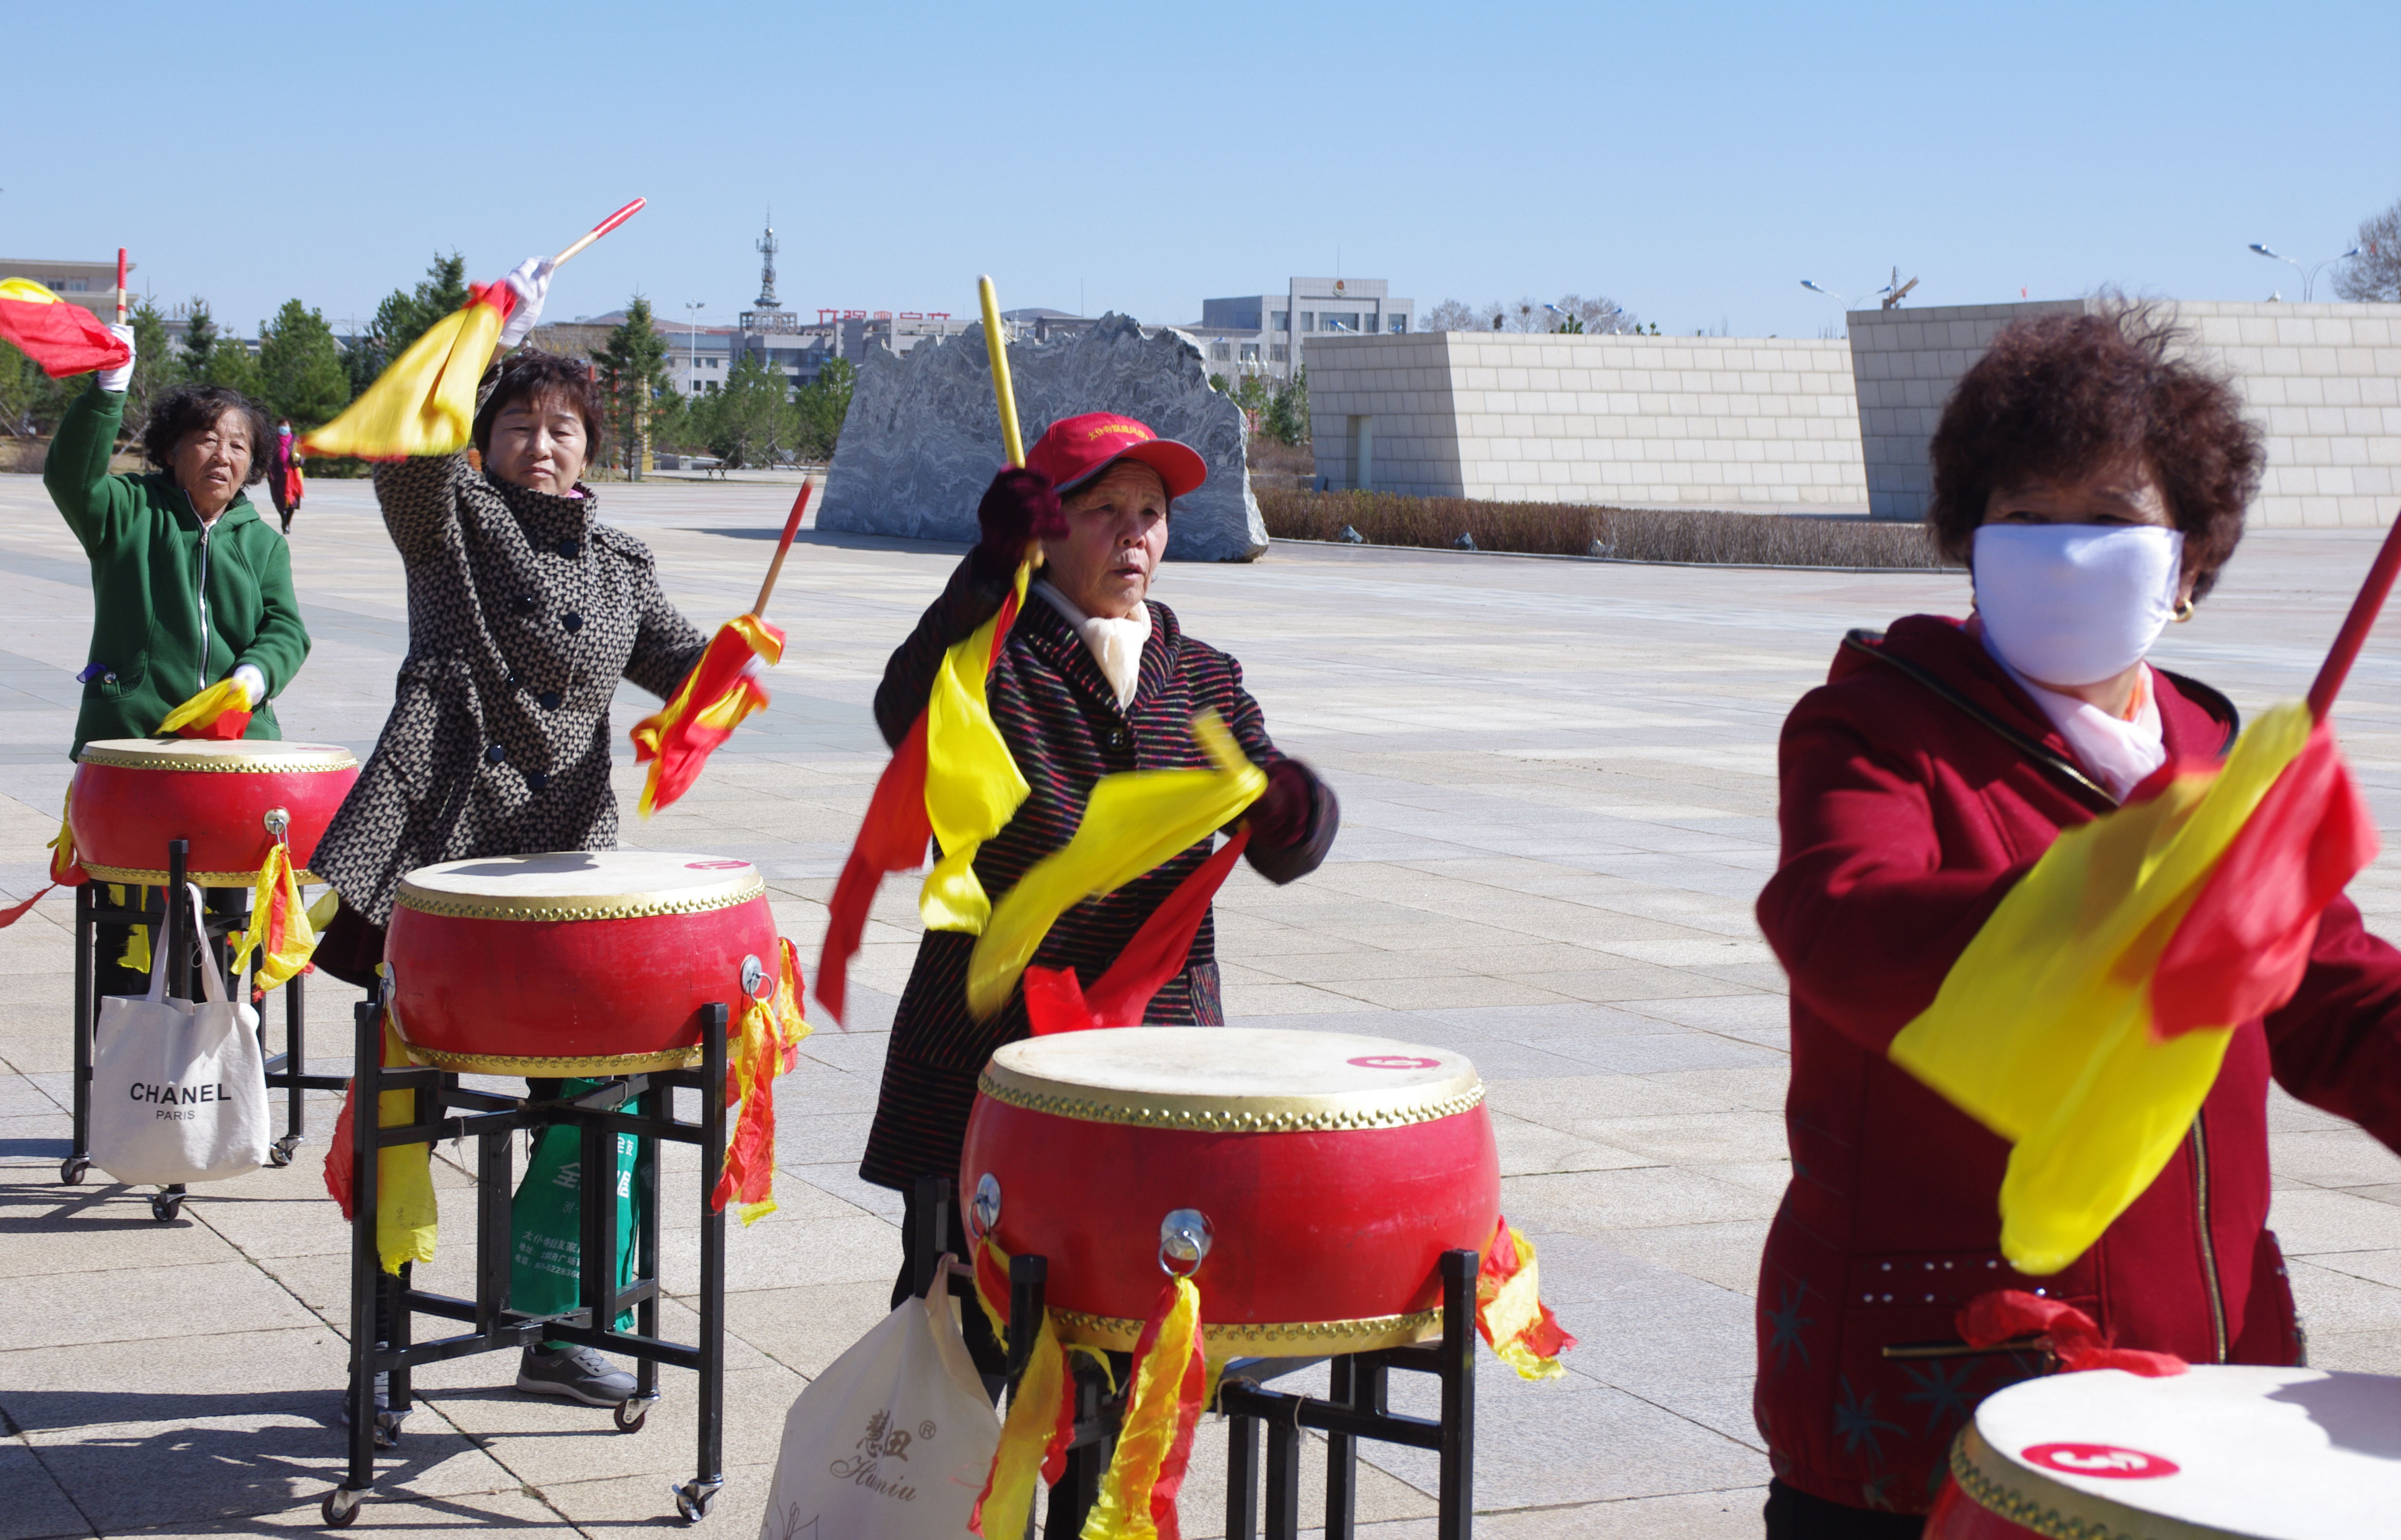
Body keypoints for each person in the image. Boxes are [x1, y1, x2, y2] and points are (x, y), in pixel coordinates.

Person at [1750, 303, 2401, 1536]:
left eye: (2106, 520)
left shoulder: (2214, 754)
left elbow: (2330, 988)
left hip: (2199, 1378)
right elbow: (1840, 921)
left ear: (2191, 561)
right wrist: (2132, 886)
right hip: (1934, 1383)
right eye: (2023, 517)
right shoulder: (1876, 728)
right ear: (1967, 537)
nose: (2059, 551)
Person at [857, 412, 1341, 1379]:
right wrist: (988, 569)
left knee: (1128, 1342)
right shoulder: (993, 653)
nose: (1135, 535)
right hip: (988, 1049)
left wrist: (1295, 809)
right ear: (1047, 525)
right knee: (963, 1350)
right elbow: (900, 712)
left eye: (1152, 514)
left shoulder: (1201, 675)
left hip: (1151, 1056)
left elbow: (1284, 847)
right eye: (1106, 509)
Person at [311, 259, 713, 1410]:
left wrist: (732, 664)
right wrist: (486, 334)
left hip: (565, 846)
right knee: (409, 1101)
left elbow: (681, 666)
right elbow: (407, 443)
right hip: (437, 830)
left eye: (566, 428)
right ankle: (384, 1341)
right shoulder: (449, 518)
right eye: (521, 424)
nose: (545, 444)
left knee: (589, 1089)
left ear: (593, 448)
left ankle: (559, 1321)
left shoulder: (622, 561)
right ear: (485, 437)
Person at [43, 330, 311, 991]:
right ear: (171, 449)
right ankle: (131, 1070)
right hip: (134, 754)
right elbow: (69, 477)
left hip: (234, 763)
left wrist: (252, 678)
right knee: (129, 930)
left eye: (240, 444)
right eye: (208, 438)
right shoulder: (127, 513)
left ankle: (217, 1063)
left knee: (220, 932)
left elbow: (287, 629)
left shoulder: (262, 543)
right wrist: (108, 390)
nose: (225, 454)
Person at [267, 416, 304, 533]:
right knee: (278, 500)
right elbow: (268, 456)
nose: (284, 429)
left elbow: (302, 455)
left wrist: (298, 461)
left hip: (292, 475)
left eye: (286, 426)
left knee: (292, 502)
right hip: (276, 475)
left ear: (290, 428)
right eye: (281, 426)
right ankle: (284, 518)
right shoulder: (273, 441)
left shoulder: (295, 440)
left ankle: (287, 523)